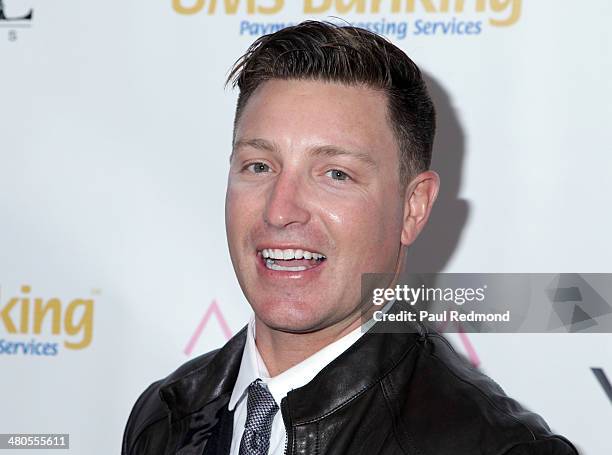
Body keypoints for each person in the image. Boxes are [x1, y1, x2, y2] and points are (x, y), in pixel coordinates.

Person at [122, 21, 578, 455]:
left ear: (413, 207)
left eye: (335, 174)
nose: (280, 210)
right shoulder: (163, 415)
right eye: (259, 166)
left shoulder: (496, 447)